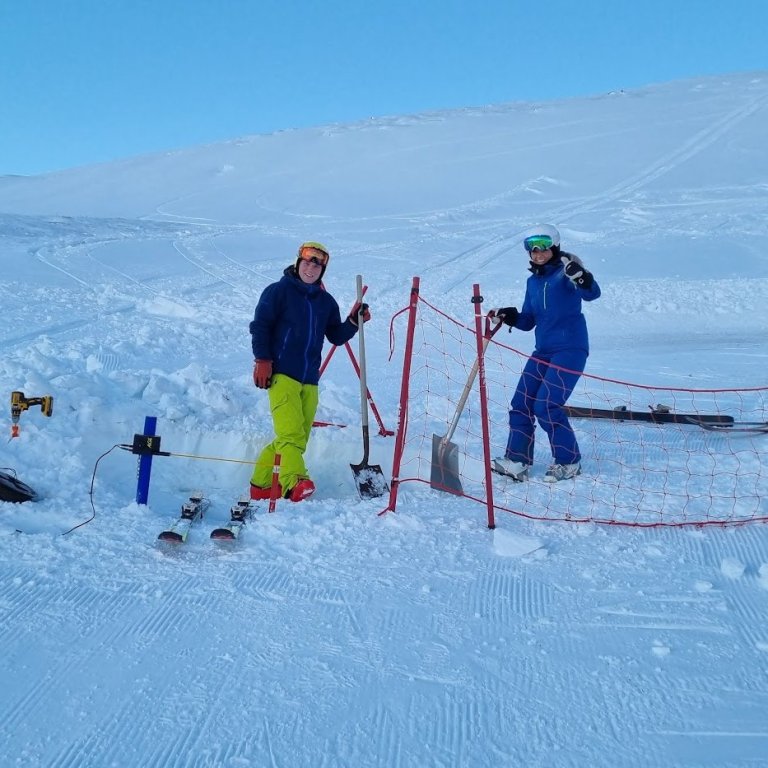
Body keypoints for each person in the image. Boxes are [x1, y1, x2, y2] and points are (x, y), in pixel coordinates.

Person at [249, 241, 370, 502]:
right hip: (281, 375)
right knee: (290, 435)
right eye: (307, 260)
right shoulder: (277, 292)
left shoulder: (325, 302)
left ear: (322, 270)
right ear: (298, 262)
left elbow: (335, 336)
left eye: (318, 264)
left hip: (310, 380)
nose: (311, 267)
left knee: (296, 439)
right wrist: (262, 359)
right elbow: (261, 326)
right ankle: (295, 482)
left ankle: (261, 484)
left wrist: (352, 321)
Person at [489, 224, 601, 483]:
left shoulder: (567, 273)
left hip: (570, 349)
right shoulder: (533, 281)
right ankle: (517, 460)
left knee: (546, 405)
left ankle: (569, 461)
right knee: (521, 403)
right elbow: (528, 321)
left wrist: (582, 276)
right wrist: (509, 316)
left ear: (554, 246)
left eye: (542, 245)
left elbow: (592, 294)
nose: (537, 252)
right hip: (544, 350)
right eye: (532, 247)